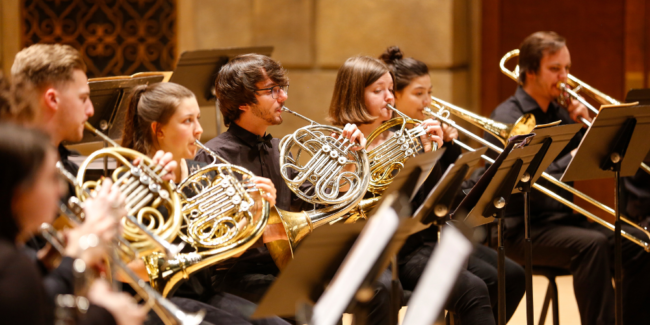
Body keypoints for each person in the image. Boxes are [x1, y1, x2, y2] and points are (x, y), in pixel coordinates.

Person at [194, 54, 377, 323]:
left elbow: (318, 202)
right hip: (234, 274)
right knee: (314, 314)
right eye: (272, 91)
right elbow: (206, 235)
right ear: (243, 102)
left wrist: (349, 158)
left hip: (283, 267)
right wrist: (254, 217)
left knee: (354, 297)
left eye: (283, 88)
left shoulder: (278, 149)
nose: (283, 97)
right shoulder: (213, 157)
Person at [7, 43, 181, 324]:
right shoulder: (14, 169)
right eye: (83, 97)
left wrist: (146, 188)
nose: (90, 110)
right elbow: (24, 285)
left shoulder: (73, 163)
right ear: (52, 99)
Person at [484, 31, 650, 325]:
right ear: (530, 72)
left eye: (568, 68)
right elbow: (529, 183)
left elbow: (596, 161)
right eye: (555, 69)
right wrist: (572, 155)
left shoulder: (562, 111)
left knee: (637, 242)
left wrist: (589, 130)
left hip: (563, 223)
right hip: (518, 228)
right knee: (591, 247)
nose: (566, 78)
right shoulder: (508, 118)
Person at [120, 81, 290, 325]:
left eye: (198, 119)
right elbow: (122, 266)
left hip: (202, 294)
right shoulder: (134, 181)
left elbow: (231, 250)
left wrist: (255, 211)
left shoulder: (204, 174)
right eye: (187, 121)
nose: (199, 130)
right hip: (151, 301)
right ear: (158, 130)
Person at [379, 46, 526, 324]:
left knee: (513, 276)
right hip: (405, 249)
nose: (428, 101)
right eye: (418, 93)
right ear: (394, 97)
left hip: (435, 238)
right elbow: (417, 201)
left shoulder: (423, 132)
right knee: (478, 287)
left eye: (430, 92)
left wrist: (447, 149)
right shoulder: (390, 139)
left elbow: (451, 196)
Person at [0, 122, 147, 325]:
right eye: (51, 178)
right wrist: (107, 315)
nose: (60, 190)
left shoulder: (12, 257)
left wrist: (46, 263)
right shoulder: (12, 265)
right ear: (20, 193)